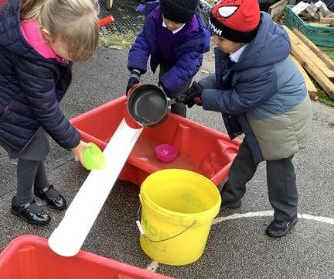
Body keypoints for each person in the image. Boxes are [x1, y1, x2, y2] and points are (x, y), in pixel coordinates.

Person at [181, 0, 312, 237]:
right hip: (261, 119)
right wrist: (200, 87)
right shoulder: (243, 49)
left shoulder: (263, 69)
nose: (215, 43)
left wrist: (205, 98)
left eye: (220, 39)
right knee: (244, 158)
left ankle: (287, 215)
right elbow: (228, 79)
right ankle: (231, 197)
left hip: (283, 122)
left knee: (279, 172)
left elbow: (238, 100)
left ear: (239, 39)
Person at [0, 0, 99, 226]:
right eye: (69, 54)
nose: (69, 60)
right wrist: (75, 143)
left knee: (37, 143)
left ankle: (40, 186)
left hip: (7, 89)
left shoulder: (43, 14)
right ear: (47, 34)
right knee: (30, 148)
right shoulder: (35, 59)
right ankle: (22, 201)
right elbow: (46, 108)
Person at [126, 0, 210, 117]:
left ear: (186, 20)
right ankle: (160, 115)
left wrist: (167, 84)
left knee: (176, 95)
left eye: (175, 23)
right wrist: (135, 71)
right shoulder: (155, 17)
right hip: (165, 57)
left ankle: (178, 121)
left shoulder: (196, 35)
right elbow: (144, 41)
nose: (170, 25)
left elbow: (187, 66)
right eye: (167, 20)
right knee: (164, 83)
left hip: (183, 67)